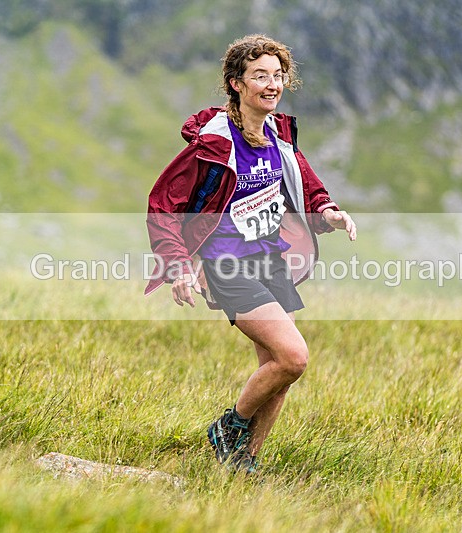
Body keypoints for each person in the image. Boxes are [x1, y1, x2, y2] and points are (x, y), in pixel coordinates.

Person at [145, 34, 356, 474]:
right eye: (260, 75)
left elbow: (307, 187)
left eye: (278, 76)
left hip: (270, 261)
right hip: (226, 264)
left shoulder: (280, 137)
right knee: (293, 357)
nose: (272, 84)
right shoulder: (214, 144)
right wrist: (179, 265)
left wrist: (328, 212)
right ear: (236, 83)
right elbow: (163, 204)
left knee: (277, 376)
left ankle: (243, 464)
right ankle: (229, 426)